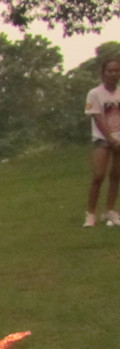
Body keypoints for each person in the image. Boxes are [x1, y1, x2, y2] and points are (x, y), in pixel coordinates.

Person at [83, 56, 120, 228]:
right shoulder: (94, 94)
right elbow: (97, 118)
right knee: (98, 176)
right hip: (102, 139)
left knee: (116, 175)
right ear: (103, 73)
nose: (113, 74)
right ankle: (90, 214)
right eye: (110, 71)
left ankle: (109, 210)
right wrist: (111, 140)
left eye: (116, 71)